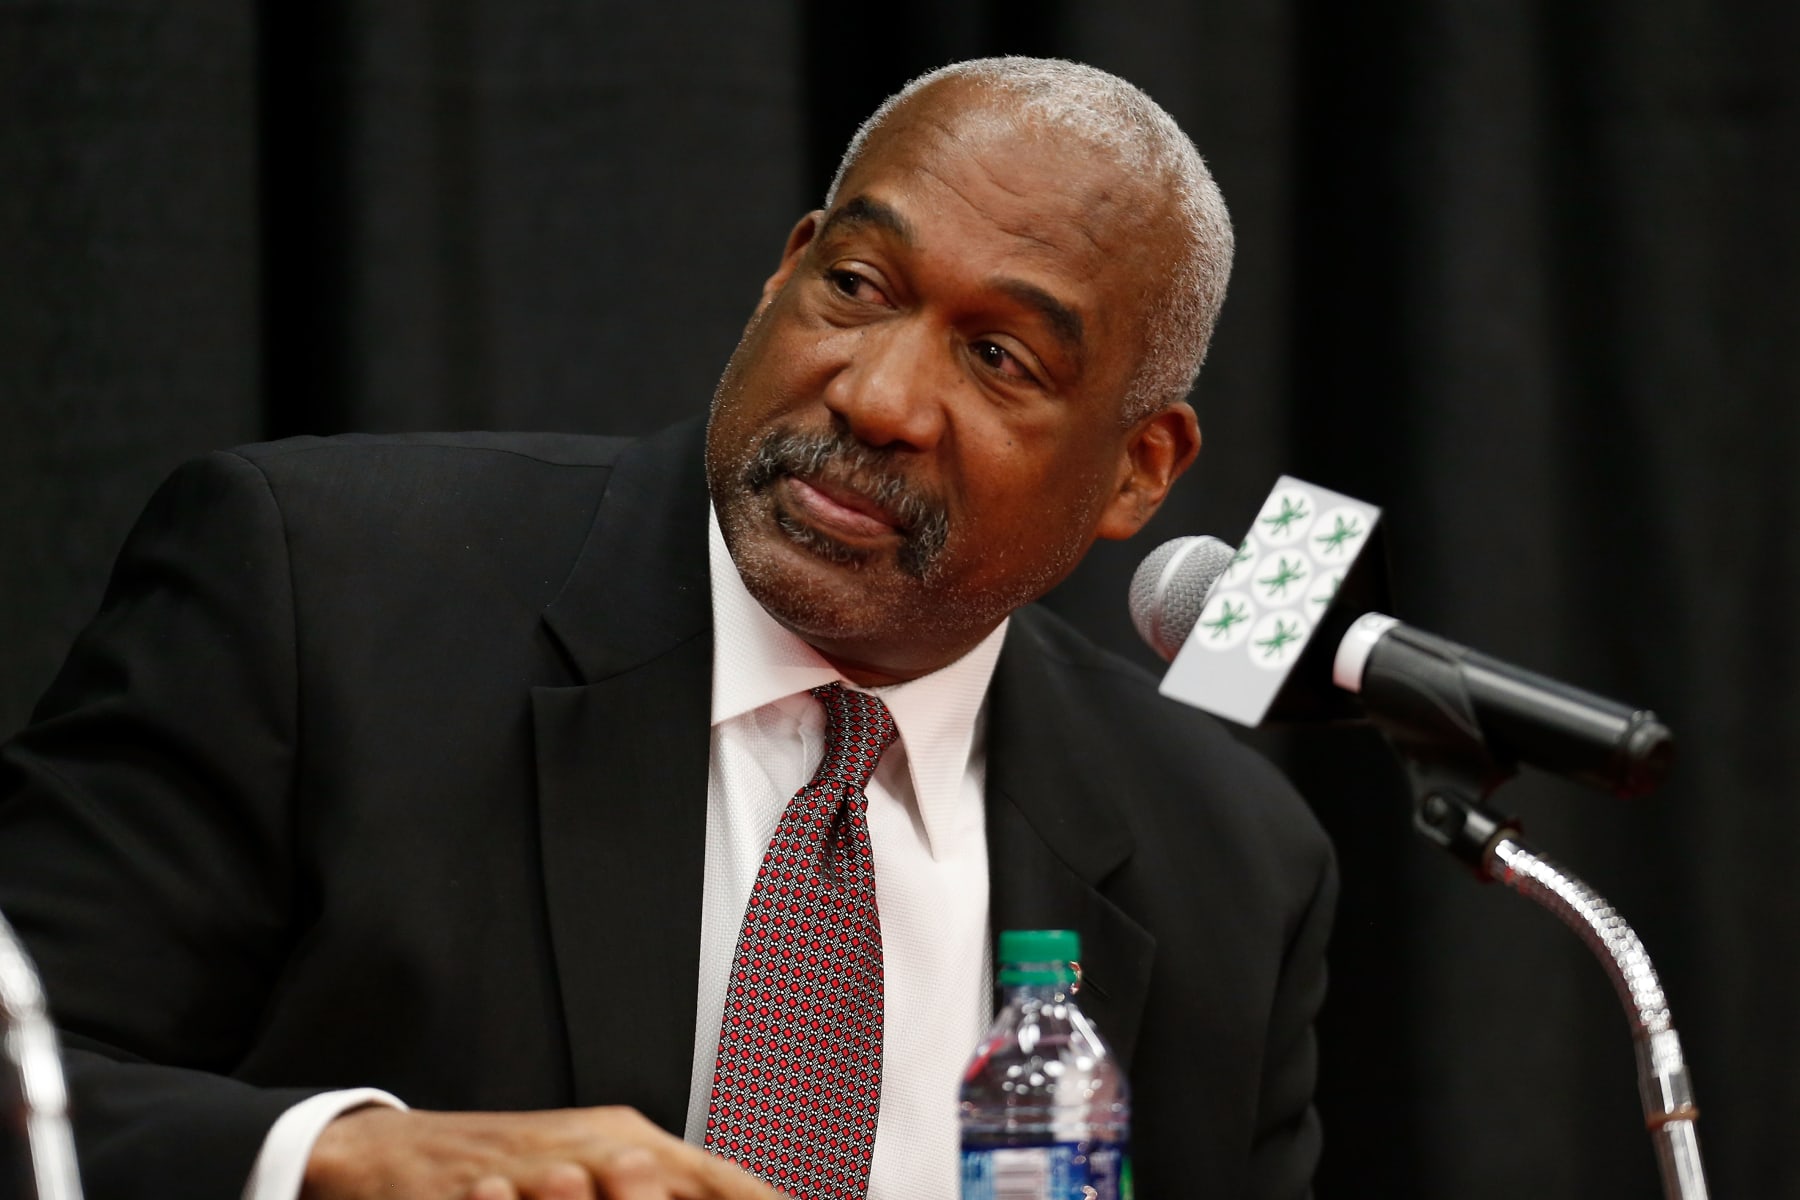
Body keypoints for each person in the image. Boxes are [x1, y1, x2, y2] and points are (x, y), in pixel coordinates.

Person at [0, 57, 1334, 1200]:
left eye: (999, 361)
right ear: (782, 273)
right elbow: (32, 1079)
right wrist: (336, 1157)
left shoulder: (1222, 863)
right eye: (860, 285)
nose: (878, 397)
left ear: (1139, 471)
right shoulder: (325, 590)